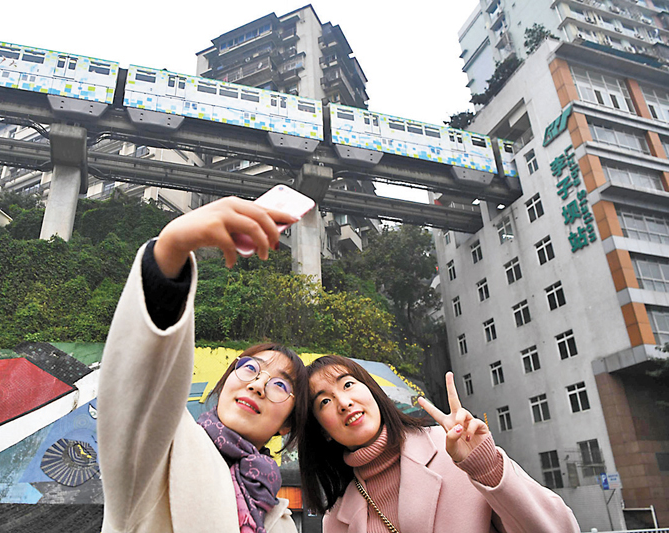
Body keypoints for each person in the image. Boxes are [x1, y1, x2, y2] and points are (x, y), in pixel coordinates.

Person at [98, 197, 307, 533]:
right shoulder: (163, 446)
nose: (257, 385)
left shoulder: (278, 518)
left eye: (280, 385)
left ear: (287, 425)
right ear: (224, 385)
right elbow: (138, 385)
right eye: (250, 369)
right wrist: (171, 250)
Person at [299, 355, 581, 533]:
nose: (344, 402)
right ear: (323, 431)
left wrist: (486, 467)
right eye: (324, 401)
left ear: (373, 392)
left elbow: (561, 529)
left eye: (347, 385)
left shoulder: (454, 451)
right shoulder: (337, 519)